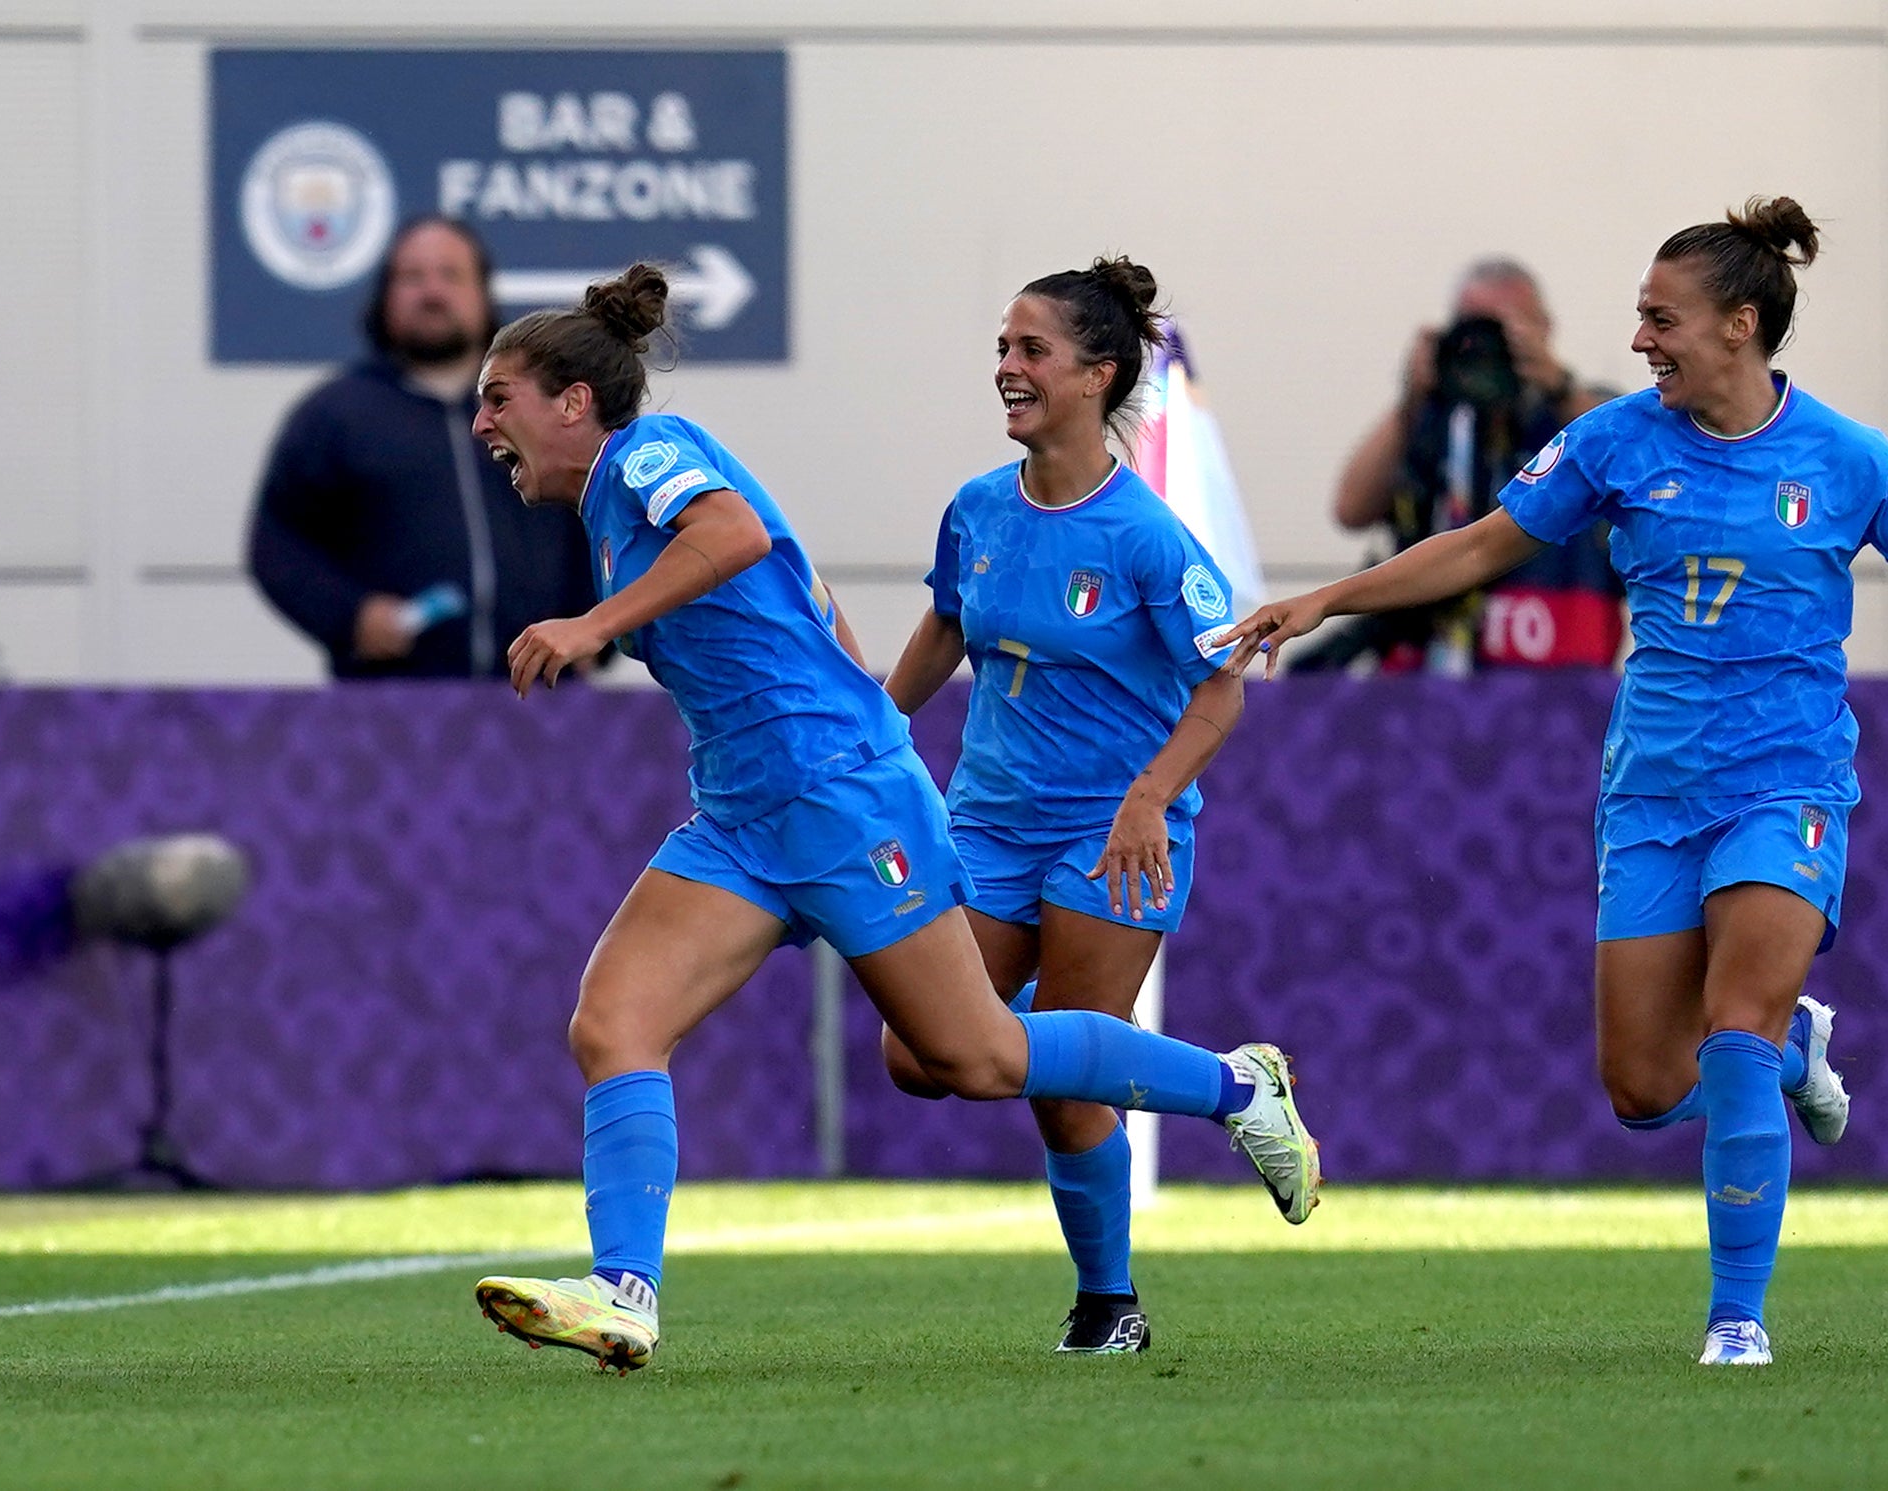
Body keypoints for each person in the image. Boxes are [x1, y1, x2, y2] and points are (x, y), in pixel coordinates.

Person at [1222, 197, 1888, 1367]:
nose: (1640, 341)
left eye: (1661, 319)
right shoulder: (1613, 442)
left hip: (1786, 782)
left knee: (1735, 1032)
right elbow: (1473, 547)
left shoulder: (1849, 460)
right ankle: (1799, 1056)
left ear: (1739, 327)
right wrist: (1325, 598)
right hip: (1651, 792)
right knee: (1643, 1087)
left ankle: (1736, 1319)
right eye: (1638, 319)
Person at [465, 263, 1321, 1374]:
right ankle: (624, 1292)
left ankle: (1235, 1090)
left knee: (975, 1057)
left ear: (574, 402)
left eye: (499, 397)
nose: (483, 420)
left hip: (837, 794)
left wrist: (593, 626)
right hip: (746, 812)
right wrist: (875, 705)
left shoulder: (647, 458)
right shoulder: (634, 505)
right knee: (613, 1025)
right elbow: (857, 608)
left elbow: (730, 536)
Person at [879, 257, 1251, 1354]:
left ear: (1097, 375)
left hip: (1113, 832)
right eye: (1003, 348)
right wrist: (869, 730)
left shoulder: (1145, 536)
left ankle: (1108, 1304)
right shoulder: (977, 508)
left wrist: (1148, 799)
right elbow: (947, 627)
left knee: (1060, 1084)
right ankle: (1231, 1086)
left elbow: (1221, 683)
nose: (1006, 369)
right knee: (926, 1055)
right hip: (986, 822)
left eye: (1030, 351)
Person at [247, 215, 598, 679]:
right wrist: (350, 617)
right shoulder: (334, 417)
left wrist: (596, 629)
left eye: (451, 275)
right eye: (413, 277)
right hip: (386, 712)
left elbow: (599, 518)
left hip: (543, 705)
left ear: (483, 294)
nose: (432, 292)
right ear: (385, 296)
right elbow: (277, 544)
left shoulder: (544, 410)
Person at [1303, 259, 1620, 673]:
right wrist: (1412, 401)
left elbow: (1630, 460)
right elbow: (1351, 509)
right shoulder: (1436, 426)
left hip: (1559, 690)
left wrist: (1555, 382)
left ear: (1544, 328)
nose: (1488, 345)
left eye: (1505, 328)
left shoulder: (1579, 416)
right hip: (1432, 683)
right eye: (1473, 327)